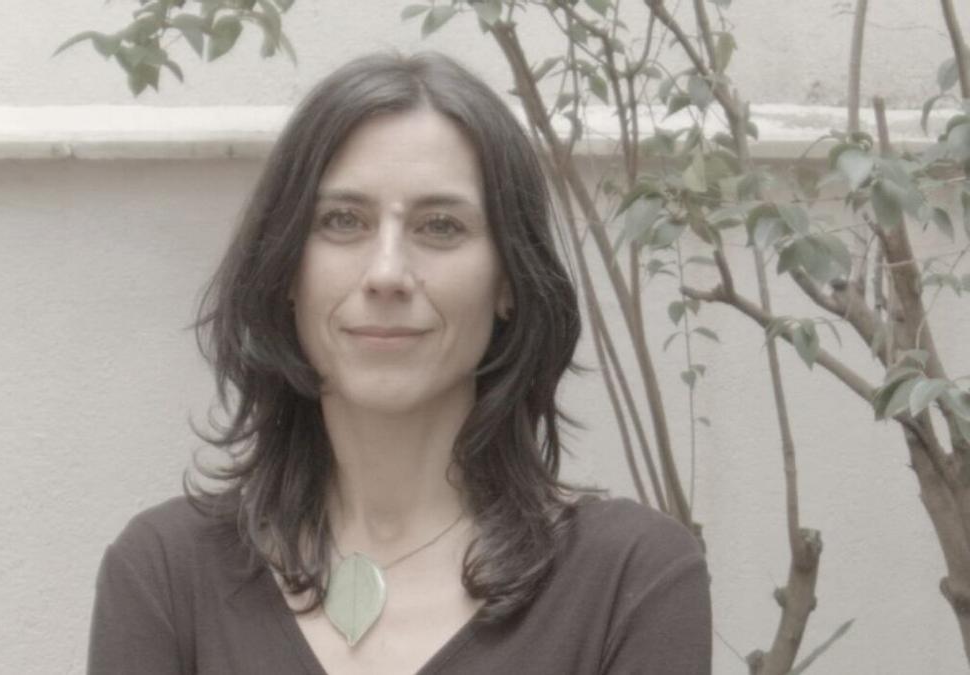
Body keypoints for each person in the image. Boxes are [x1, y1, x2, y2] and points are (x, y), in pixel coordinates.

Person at [87, 51, 710, 674]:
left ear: (509, 280)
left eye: (440, 226)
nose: (386, 273)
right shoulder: (164, 574)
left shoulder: (632, 578)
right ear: (286, 268)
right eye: (342, 221)